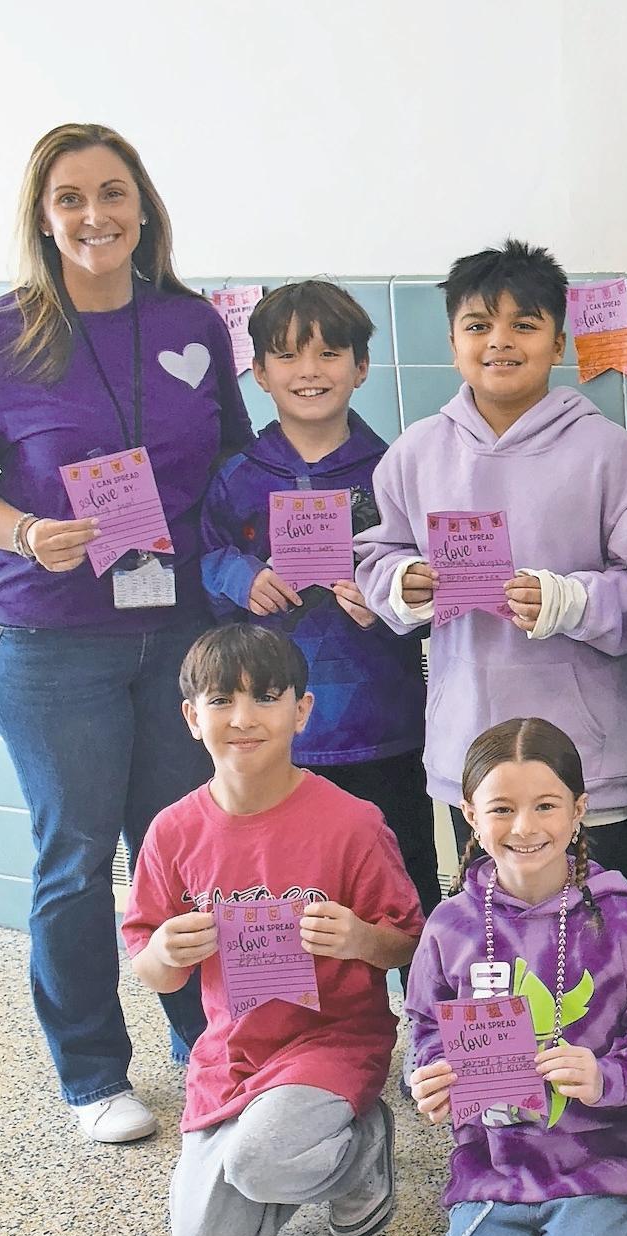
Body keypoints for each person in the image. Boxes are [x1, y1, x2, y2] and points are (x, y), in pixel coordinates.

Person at [0, 122, 252, 1142]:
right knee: (74, 857)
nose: (95, 215)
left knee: (183, 845)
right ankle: (91, 1071)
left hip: (184, 632)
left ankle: (202, 1036)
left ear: (144, 208)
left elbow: (233, 458)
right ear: (42, 217)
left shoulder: (192, 322)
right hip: (53, 637)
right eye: (70, 198)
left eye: (114, 193)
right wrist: (24, 531)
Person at [355, 241, 627, 902]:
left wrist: (569, 601)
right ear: (452, 342)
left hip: (586, 759)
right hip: (472, 752)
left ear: (558, 343)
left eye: (524, 324)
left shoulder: (607, 451)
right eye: (478, 325)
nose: (500, 341)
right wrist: (403, 584)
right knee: (488, 938)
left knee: (608, 933)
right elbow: (376, 559)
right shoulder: (415, 453)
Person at [122, 624, 421, 1236]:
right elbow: (148, 962)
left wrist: (359, 938)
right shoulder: (172, 832)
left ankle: (361, 1144)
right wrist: (166, 952)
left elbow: (409, 940)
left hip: (331, 1042)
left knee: (260, 1161)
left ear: (301, 711)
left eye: (265, 697)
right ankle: (279, 1137)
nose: (244, 717)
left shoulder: (352, 822)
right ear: (191, 717)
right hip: (230, 1051)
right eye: (221, 700)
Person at [404, 717, 627, 1236]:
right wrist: (431, 1076)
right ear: (470, 815)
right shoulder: (449, 928)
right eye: (502, 808)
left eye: (546, 805)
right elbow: (424, 1027)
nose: (524, 826)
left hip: (598, 1163)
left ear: (579, 810)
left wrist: (605, 1074)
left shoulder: (622, 926)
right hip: (494, 1164)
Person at [200, 280, 438, 909]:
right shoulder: (238, 477)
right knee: (288, 893)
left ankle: (417, 979)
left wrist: (394, 601)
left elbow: (437, 588)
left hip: (384, 727)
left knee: (401, 887)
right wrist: (241, 579)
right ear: (258, 372)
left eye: (330, 353)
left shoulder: (395, 470)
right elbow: (204, 568)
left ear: (361, 367)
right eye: (287, 355)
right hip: (275, 735)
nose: (309, 371)